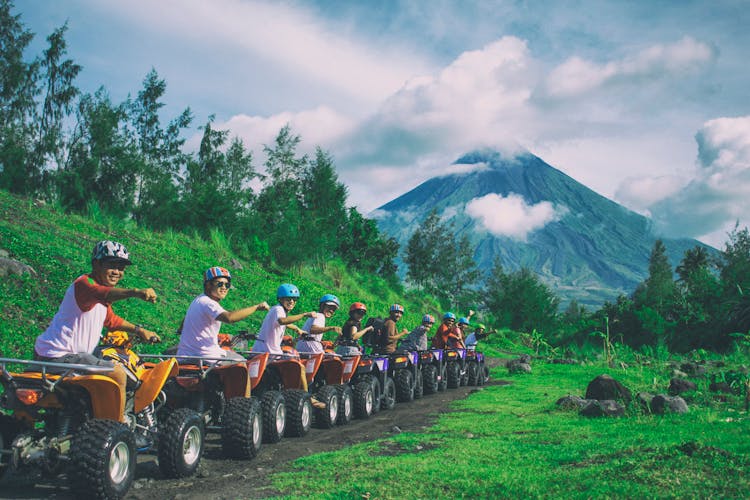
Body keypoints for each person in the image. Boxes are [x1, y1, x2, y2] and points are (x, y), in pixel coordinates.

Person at [33, 240, 160, 419]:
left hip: (55, 354)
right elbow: (103, 294)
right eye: (111, 265)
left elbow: (111, 320)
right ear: (96, 264)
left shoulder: (98, 296)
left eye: (121, 267)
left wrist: (139, 330)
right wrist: (136, 292)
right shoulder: (85, 284)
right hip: (61, 356)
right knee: (118, 374)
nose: (117, 272)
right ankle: (117, 426)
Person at [176, 266, 269, 362]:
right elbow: (229, 318)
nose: (224, 287)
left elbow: (185, 320)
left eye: (227, 285)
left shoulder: (198, 300)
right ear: (208, 285)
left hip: (187, 354)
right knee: (243, 362)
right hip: (206, 356)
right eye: (220, 284)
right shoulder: (208, 303)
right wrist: (256, 307)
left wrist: (180, 331)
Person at [251, 283, 317, 355]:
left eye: (294, 299)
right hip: (268, 353)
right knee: (298, 363)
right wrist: (304, 315)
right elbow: (282, 321)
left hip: (265, 351)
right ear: (280, 299)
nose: (291, 301)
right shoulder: (279, 309)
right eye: (288, 298)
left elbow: (284, 322)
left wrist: (297, 329)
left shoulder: (276, 309)